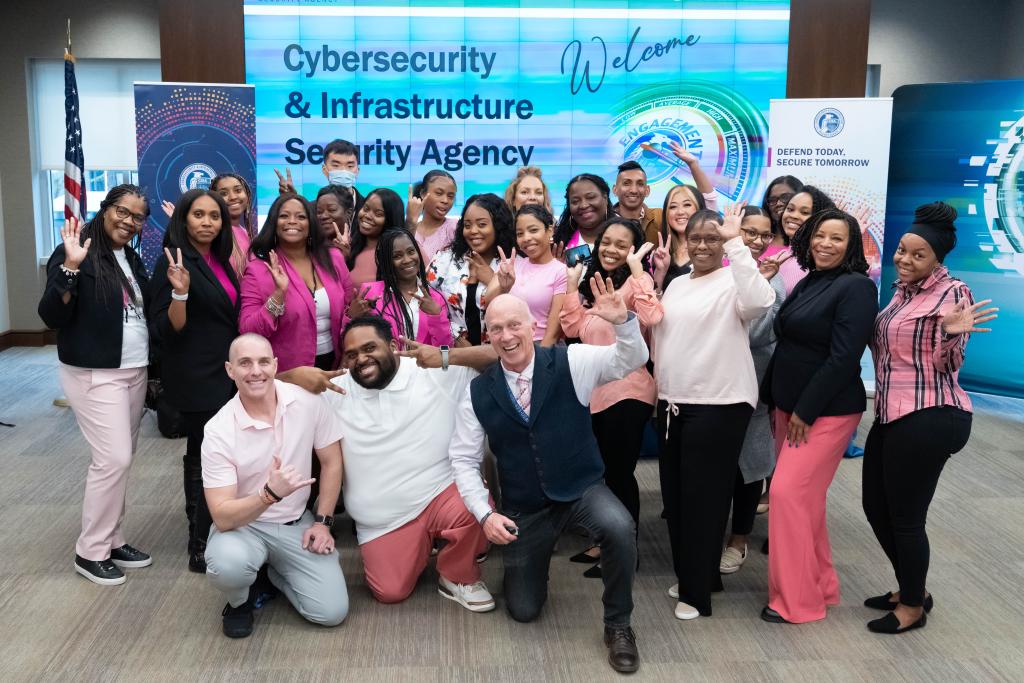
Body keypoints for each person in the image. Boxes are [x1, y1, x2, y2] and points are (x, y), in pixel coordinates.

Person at [450, 291, 649, 674]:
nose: (506, 336)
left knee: (620, 526)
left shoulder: (570, 361)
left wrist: (624, 323)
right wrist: (485, 514)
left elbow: (632, 359)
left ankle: (619, 625)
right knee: (523, 610)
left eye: (514, 325)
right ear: (487, 336)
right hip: (526, 505)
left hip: (581, 489)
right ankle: (533, 567)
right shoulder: (476, 392)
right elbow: (462, 459)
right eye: (496, 329)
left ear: (532, 326)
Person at [862, 202, 997, 634]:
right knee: (873, 505)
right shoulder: (902, 291)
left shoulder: (953, 293)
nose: (904, 259)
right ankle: (910, 585)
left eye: (917, 255)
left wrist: (949, 335)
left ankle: (913, 606)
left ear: (937, 259)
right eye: (902, 250)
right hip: (891, 413)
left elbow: (947, 363)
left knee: (905, 517)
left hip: (931, 414)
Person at [315, 316, 495, 610]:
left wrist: (447, 355)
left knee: (475, 504)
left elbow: (509, 353)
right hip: (384, 520)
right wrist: (294, 375)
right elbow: (264, 386)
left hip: (440, 494)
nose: (361, 359)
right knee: (390, 592)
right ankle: (421, 546)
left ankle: (458, 575)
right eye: (352, 354)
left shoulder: (434, 370)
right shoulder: (335, 389)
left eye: (370, 347)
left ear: (393, 345)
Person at [651, 206, 776, 620]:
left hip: (719, 404)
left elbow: (760, 302)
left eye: (713, 238)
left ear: (724, 243)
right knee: (678, 499)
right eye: (696, 238)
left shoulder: (736, 279)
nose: (702, 245)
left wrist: (738, 242)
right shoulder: (678, 284)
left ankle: (697, 596)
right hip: (672, 404)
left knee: (703, 501)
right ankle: (698, 576)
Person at [759, 208, 878, 625]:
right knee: (805, 502)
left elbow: (845, 357)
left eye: (837, 238)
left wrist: (806, 410)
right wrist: (768, 397)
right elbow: (788, 343)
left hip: (824, 412)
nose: (825, 244)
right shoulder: (811, 280)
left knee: (789, 495)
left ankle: (797, 603)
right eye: (820, 236)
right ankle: (821, 586)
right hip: (789, 408)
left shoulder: (857, 288)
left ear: (851, 247)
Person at [38, 184, 154, 585]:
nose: (128, 221)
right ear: (105, 210)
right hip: (95, 372)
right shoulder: (78, 250)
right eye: (122, 211)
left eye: (137, 216)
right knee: (113, 460)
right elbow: (50, 315)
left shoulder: (131, 258)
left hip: (133, 370)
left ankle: (113, 538)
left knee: (121, 460)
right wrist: (70, 268)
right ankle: (90, 552)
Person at [202, 333, 348, 638]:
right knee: (227, 565)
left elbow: (332, 462)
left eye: (263, 362)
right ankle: (239, 601)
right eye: (245, 363)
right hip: (243, 527)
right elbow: (223, 516)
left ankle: (271, 573)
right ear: (230, 370)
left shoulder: (306, 402)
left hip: (297, 523)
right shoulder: (218, 429)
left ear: (275, 365)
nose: (256, 371)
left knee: (331, 612)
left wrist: (322, 523)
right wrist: (268, 495)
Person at [559, 218, 661, 576]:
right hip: (595, 393)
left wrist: (638, 273)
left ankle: (625, 553)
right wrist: (572, 286)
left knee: (619, 474)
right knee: (601, 475)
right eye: (607, 242)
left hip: (629, 393)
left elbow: (653, 316)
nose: (611, 249)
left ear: (633, 250)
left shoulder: (635, 284)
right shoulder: (595, 284)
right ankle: (605, 543)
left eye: (622, 244)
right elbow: (574, 328)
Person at [150, 189, 241, 573]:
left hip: (225, 370)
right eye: (198, 214)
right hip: (195, 371)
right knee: (204, 453)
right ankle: (199, 539)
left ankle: (219, 523)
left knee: (217, 451)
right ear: (183, 219)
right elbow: (168, 330)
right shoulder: (173, 260)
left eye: (214, 216)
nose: (207, 222)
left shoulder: (220, 260)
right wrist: (180, 293)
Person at [719, 206, 786, 574]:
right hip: (716, 383)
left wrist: (757, 286)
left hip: (754, 385)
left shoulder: (773, 280)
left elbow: (760, 333)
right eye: (750, 232)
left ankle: (739, 540)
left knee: (749, 468)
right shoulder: (716, 269)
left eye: (764, 234)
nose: (758, 240)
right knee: (719, 467)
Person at [239, 193, 352, 373]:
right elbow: (248, 330)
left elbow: (349, 306)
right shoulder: (258, 270)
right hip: (289, 373)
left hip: (337, 365)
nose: (292, 221)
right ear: (274, 223)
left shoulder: (334, 258)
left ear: (311, 224)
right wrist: (278, 295)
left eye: (301, 216)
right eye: (284, 216)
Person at [427, 193, 516, 346]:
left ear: (498, 226)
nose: (473, 231)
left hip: (499, 355)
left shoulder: (512, 262)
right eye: (467, 225)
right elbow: (424, 302)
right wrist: (456, 336)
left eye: (482, 224)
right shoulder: (445, 259)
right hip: (453, 354)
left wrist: (492, 279)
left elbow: (523, 309)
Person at [348, 228, 453, 348]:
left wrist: (436, 316)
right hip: (388, 366)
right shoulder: (370, 293)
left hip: (425, 366)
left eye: (411, 252)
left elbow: (445, 349)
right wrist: (352, 317)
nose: (407, 260)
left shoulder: (435, 298)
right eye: (397, 256)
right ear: (386, 261)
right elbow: (352, 343)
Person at [650, 145, 719, 293]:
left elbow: (710, 198)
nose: (680, 212)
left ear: (700, 208)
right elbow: (652, 303)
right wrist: (660, 272)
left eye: (687, 205)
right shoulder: (659, 254)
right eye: (673, 207)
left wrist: (693, 165)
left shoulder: (711, 248)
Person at [506, 204, 567, 346]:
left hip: (541, 346)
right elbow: (489, 302)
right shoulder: (512, 264)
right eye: (520, 234)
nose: (526, 238)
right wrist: (503, 286)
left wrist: (539, 361)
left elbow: (553, 333)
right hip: (509, 343)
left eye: (533, 230)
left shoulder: (561, 272)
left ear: (550, 230)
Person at [770, 185, 835, 295]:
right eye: (790, 209)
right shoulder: (777, 258)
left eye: (805, 212)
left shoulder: (822, 261)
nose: (794, 216)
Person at [276, 138, 364, 216]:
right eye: (336, 165)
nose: (343, 171)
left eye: (350, 166)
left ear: (358, 171)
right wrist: (291, 200)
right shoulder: (310, 210)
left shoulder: (367, 208)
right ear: (324, 170)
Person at [347, 188, 405, 287]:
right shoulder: (350, 247)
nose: (367, 216)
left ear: (390, 220)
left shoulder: (402, 250)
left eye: (378, 214)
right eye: (366, 209)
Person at [406, 170, 458, 263]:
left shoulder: (455, 228)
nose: (445, 200)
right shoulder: (407, 227)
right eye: (439, 193)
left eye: (450, 196)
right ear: (423, 193)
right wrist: (410, 222)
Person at [210, 173, 258, 276]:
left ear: (247, 196)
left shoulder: (248, 235)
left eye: (238, 190)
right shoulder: (213, 234)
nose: (232, 197)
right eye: (223, 194)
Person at [553, 173, 614, 250]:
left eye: (590, 197)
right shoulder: (559, 243)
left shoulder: (626, 234)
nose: (583, 205)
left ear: (605, 198)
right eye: (575, 201)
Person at [611, 161, 662, 244]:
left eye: (640, 184)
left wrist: (691, 164)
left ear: (647, 190)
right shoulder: (603, 221)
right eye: (626, 183)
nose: (633, 190)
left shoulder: (660, 216)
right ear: (615, 189)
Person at [760, 175, 803, 250]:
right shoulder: (758, 240)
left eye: (786, 197)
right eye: (773, 199)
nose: (778, 203)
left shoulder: (813, 241)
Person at [316, 184, 355, 254]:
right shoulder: (311, 246)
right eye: (319, 211)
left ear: (349, 212)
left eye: (331, 210)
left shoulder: (359, 244)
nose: (324, 216)